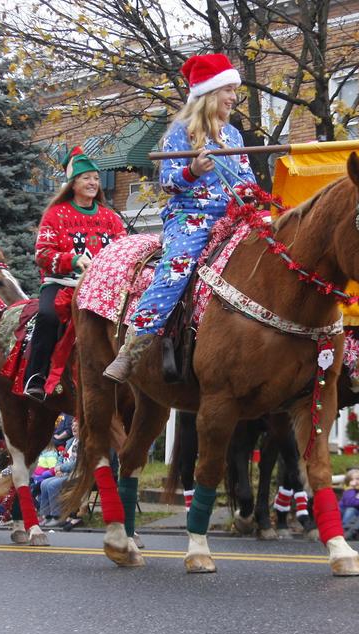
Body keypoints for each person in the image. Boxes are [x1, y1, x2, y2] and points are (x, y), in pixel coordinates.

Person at [103, 53, 257, 382]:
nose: (233, 97)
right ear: (208, 94)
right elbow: (168, 182)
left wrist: (251, 197)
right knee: (175, 270)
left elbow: (246, 180)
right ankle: (132, 349)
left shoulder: (234, 137)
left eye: (234, 91)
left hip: (232, 217)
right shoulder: (181, 132)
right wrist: (192, 170)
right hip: (191, 218)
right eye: (227, 90)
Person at [24, 146, 125, 399]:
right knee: (47, 316)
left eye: (96, 178)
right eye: (86, 178)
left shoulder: (110, 217)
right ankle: (36, 375)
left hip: (102, 287)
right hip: (62, 283)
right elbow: (42, 255)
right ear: (73, 183)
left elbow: (123, 250)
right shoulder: (55, 215)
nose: (93, 183)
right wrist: (73, 259)